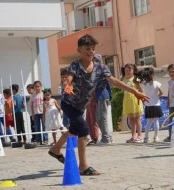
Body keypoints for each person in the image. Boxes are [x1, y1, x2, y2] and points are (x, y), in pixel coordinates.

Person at [48, 35, 149, 175]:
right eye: (87, 49)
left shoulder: (100, 67)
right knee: (83, 131)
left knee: (74, 131)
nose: (91, 52)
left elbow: (114, 81)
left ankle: (55, 149)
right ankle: (83, 166)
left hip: (80, 106)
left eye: (93, 49)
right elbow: (69, 77)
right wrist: (67, 84)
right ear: (79, 50)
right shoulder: (75, 65)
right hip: (69, 103)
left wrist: (135, 91)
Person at [138, 67, 163, 143]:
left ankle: (146, 137)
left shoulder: (144, 84)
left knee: (148, 122)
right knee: (156, 121)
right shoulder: (156, 83)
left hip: (148, 104)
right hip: (156, 104)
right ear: (152, 74)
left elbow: (140, 90)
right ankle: (155, 137)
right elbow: (161, 92)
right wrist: (156, 97)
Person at [122, 63, 144, 143]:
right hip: (127, 101)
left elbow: (141, 90)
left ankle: (140, 136)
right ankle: (133, 136)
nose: (128, 72)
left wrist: (141, 97)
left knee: (137, 119)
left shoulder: (136, 79)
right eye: (126, 70)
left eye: (129, 70)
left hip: (135, 101)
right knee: (131, 120)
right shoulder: (123, 79)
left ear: (133, 70)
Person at [95, 54, 113, 144]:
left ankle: (106, 138)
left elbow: (109, 82)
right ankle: (108, 136)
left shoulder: (102, 69)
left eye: (95, 60)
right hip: (99, 96)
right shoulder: (95, 71)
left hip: (102, 95)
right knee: (99, 118)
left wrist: (110, 95)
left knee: (103, 117)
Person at [30, 81, 48, 145]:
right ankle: (38, 140)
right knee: (37, 127)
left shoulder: (43, 94)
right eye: (35, 87)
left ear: (40, 87)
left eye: (38, 86)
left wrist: (45, 112)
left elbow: (46, 103)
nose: (37, 88)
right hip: (36, 113)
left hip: (43, 112)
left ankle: (45, 139)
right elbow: (31, 105)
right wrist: (32, 114)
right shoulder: (32, 95)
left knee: (44, 126)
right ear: (34, 87)